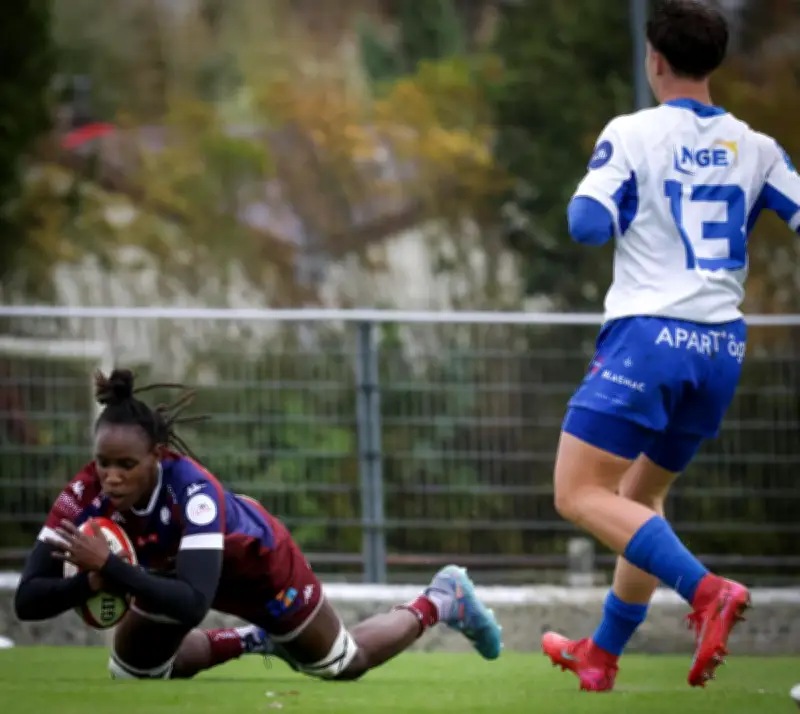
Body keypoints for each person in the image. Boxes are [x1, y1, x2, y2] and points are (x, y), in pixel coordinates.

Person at [541, 0, 800, 692]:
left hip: (650, 338)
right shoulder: (760, 147)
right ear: (715, 62)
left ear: (654, 59)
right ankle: (601, 653)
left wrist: (623, 203)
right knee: (640, 500)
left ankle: (707, 590)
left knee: (577, 493)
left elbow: (586, 226)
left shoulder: (633, 133)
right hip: (720, 350)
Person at [14, 368, 502, 681]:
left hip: (259, 566)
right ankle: (252, 639)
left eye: (126, 464)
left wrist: (112, 569)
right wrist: (94, 579)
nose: (112, 477)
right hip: (169, 575)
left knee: (341, 664)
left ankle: (440, 599)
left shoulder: (193, 492)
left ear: (157, 457)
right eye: (103, 463)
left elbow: (195, 601)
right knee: (137, 673)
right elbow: (28, 599)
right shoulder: (85, 493)